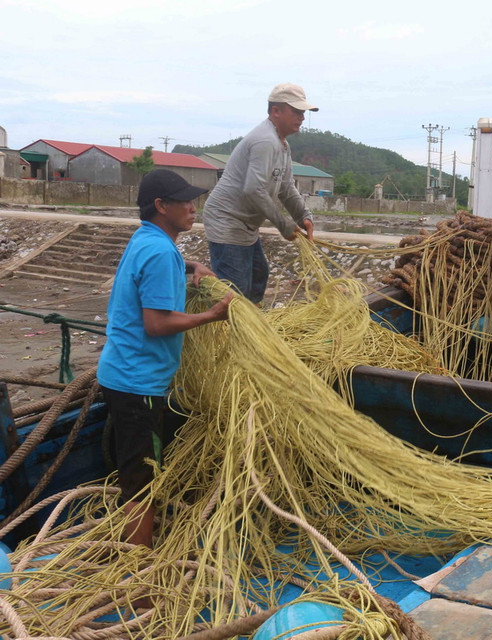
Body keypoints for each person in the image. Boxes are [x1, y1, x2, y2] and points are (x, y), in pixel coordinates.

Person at [97, 169, 233, 549]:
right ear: (161, 206)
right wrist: (211, 315)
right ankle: (140, 580)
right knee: (142, 483)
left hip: (122, 372)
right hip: (138, 383)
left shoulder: (148, 240)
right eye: (185, 201)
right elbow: (157, 324)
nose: (194, 208)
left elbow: (158, 262)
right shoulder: (159, 251)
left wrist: (191, 266)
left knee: (138, 472)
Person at [203, 83, 317, 303]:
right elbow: (253, 190)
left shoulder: (282, 145)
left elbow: (285, 187)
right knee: (235, 291)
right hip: (227, 220)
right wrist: (284, 225)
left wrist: (303, 216)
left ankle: (252, 322)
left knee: (258, 275)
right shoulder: (265, 141)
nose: (302, 117)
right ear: (276, 111)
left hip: (246, 224)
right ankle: (229, 330)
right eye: (296, 111)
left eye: (303, 112)